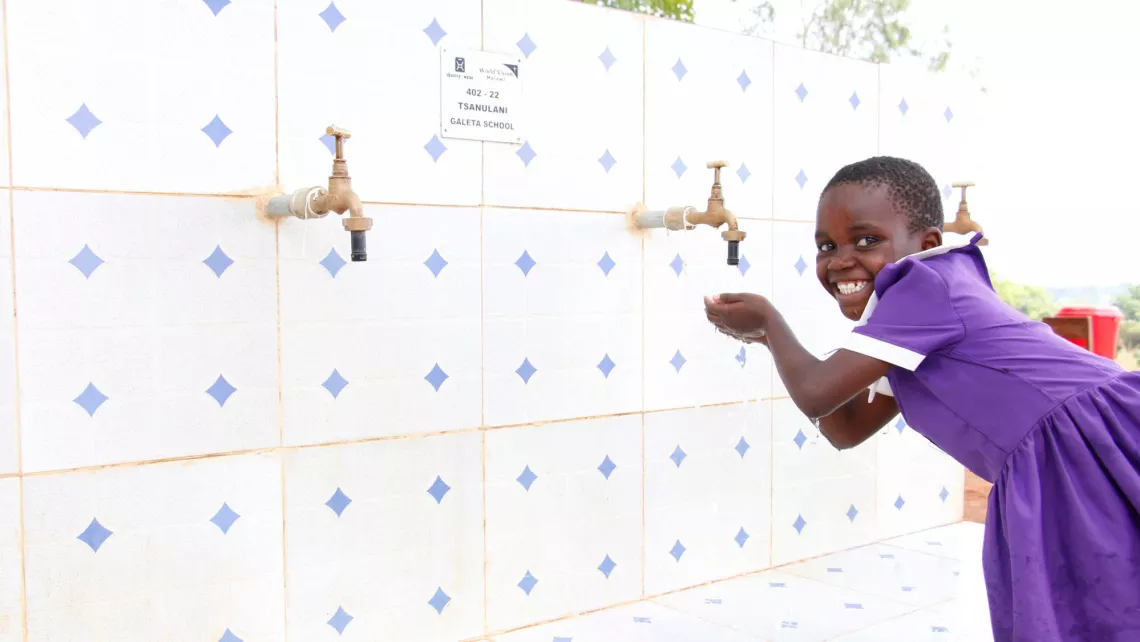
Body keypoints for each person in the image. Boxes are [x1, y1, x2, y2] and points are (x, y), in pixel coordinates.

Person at [704, 156, 1140, 642]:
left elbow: (816, 394)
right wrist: (769, 341)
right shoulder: (910, 323)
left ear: (927, 245)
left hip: (1091, 443)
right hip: (1068, 455)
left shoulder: (925, 284)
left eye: (866, 240)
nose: (841, 260)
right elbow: (845, 427)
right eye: (827, 246)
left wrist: (770, 324)